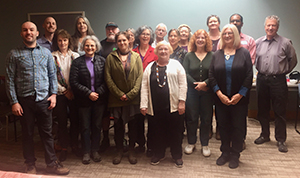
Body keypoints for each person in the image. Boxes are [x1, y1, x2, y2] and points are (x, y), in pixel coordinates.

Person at [5, 21, 69, 175]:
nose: (29, 33)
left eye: (31, 30)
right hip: (24, 101)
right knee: (27, 134)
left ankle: (52, 163)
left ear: (37, 33)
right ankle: (29, 164)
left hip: (44, 100)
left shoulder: (46, 53)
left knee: (47, 134)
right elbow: (9, 79)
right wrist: (14, 102)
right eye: (25, 30)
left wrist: (53, 94)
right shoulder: (14, 54)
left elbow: (52, 75)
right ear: (21, 34)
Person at [209, 24, 253, 169]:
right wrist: (219, 93)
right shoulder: (217, 54)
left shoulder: (244, 53)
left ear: (235, 35)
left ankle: (235, 155)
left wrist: (240, 94)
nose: (227, 35)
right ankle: (225, 153)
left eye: (230, 33)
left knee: (238, 128)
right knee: (223, 126)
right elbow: (212, 75)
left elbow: (249, 75)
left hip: (239, 100)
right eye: (225, 33)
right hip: (221, 99)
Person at [254, 15, 297, 153]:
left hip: (278, 80)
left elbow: (293, 61)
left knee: (280, 111)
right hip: (261, 79)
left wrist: (283, 72)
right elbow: (254, 60)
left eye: (273, 25)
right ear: (265, 26)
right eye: (268, 25)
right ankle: (264, 135)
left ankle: (281, 139)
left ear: (277, 27)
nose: (270, 28)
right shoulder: (258, 42)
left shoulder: (285, 43)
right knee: (262, 109)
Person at [140, 41, 187, 168]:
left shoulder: (176, 65)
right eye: (160, 49)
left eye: (166, 49)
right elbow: (144, 86)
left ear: (170, 51)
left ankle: (177, 155)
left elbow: (183, 84)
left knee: (176, 132)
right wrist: (143, 104)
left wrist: (182, 101)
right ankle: (159, 153)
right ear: (157, 51)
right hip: (155, 107)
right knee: (157, 132)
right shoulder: (150, 67)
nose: (163, 51)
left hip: (174, 106)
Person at [105, 31, 143, 165]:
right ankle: (119, 150)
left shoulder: (136, 57)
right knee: (118, 126)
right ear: (116, 43)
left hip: (133, 99)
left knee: (133, 126)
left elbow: (140, 77)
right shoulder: (111, 57)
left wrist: (131, 94)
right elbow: (108, 78)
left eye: (124, 40)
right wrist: (119, 94)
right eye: (119, 41)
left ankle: (131, 150)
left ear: (129, 41)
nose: (122, 43)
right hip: (116, 99)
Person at [69, 35, 108, 164]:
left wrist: (97, 93)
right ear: (83, 47)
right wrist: (88, 93)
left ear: (96, 47)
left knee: (97, 126)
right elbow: (73, 82)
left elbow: (107, 81)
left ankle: (95, 150)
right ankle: (86, 151)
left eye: (92, 45)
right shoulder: (77, 62)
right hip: (83, 101)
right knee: (85, 127)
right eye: (87, 45)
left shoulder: (102, 61)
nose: (89, 47)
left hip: (99, 100)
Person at [183, 29, 213, 157]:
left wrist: (205, 83)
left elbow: (214, 72)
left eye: (203, 38)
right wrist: (196, 85)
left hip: (207, 91)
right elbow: (185, 72)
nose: (200, 40)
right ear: (194, 40)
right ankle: (191, 142)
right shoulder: (189, 56)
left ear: (207, 40)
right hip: (192, 92)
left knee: (206, 119)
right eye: (198, 38)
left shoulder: (213, 55)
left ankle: (205, 144)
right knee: (192, 118)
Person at [51, 29, 80, 161]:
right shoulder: (52, 56)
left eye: (65, 40)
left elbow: (80, 76)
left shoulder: (76, 56)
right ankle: (63, 148)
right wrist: (63, 90)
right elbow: (51, 77)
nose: (62, 43)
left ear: (69, 41)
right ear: (57, 42)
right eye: (60, 40)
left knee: (75, 121)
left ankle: (74, 145)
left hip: (74, 93)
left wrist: (72, 90)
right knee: (62, 122)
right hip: (60, 94)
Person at [229, 13, 256, 150]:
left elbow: (249, 65)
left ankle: (241, 139)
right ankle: (228, 139)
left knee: (240, 115)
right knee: (227, 114)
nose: (235, 23)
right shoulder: (225, 42)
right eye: (232, 21)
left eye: (237, 21)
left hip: (242, 83)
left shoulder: (249, 41)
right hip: (227, 82)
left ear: (241, 23)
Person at [133, 25, 158, 156]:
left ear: (151, 37)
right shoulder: (133, 52)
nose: (145, 36)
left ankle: (151, 145)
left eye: (147, 34)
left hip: (151, 90)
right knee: (138, 120)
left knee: (152, 119)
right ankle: (141, 144)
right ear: (138, 36)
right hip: (136, 90)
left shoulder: (155, 52)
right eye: (142, 34)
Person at [98, 22, 120, 152]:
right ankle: (105, 138)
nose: (111, 31)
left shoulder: (121, 43)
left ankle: (119, 138)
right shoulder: (100, 45)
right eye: (108, 29)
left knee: (118, 114)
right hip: (104, 84)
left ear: (118, 30)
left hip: (119, 85)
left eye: (113, 29)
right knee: (105, 114)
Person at [207, 15, 221, 140]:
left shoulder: (224, 36)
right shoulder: (204, 37)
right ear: (207, 24)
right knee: (208, 105)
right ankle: (209, 128)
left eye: (215, 21)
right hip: (208, 74)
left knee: (219, 104)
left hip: (221, 75)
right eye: (210, 21)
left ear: (219, 23)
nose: (213, 23)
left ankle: (220, 129)